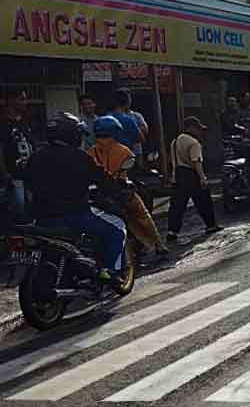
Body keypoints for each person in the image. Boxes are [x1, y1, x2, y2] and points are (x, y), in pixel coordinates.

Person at [24, 112, 125, 282]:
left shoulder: (36, 156)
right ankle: (107, 270)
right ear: (72, 135)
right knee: (116, 230)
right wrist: (118, 190)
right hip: (75, 215)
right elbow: (103, 180)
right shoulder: (80, 157)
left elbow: (27, 181)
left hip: (42, 219)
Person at [88, 115, 168, 259]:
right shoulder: (123, 150)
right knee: (143, 216)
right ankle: (158, 245)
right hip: (122, 192)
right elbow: (135, 169)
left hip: (99, 195)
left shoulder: (90, 152)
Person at [166, 117, 222, 242]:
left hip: (179, 174)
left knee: (177, 205)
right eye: (198, 129)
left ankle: (172, 231)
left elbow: (173, 162)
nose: (199, 132)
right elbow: (196, 162)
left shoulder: (175, 141)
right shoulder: (194, 142)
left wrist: (174, 177)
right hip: (191, 174)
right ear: (191, 128)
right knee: (204, 201)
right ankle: (211, 225)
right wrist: (202, 178)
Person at [0, 91, 35, 221]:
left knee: (30, 206)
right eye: (21, 99)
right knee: (18, 207)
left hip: (28, 173)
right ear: (11, 101)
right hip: (13, 173)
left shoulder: (25, 122)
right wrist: (4, 172)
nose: (24, 103)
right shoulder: (3, 123)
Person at [109, 88, 142, 153]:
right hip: (128, 153)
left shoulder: (107, 117)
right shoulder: (129, 120)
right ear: (128, 101)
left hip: (113, 153)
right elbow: (140, 138)